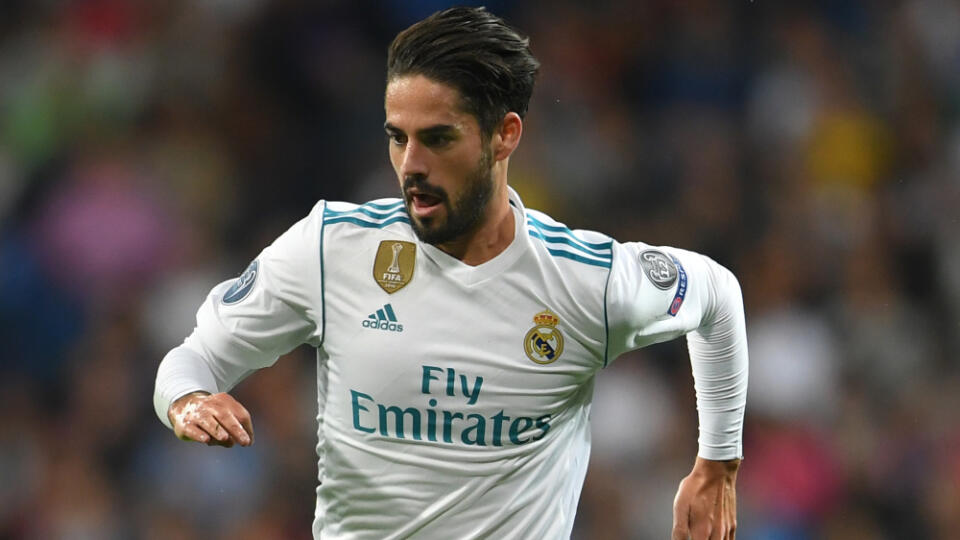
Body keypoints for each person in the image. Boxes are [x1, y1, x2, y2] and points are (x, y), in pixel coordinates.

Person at [153, 7, 748, 539]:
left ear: (503, 136)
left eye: (437, 138)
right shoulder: (331, 249)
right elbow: (193, 359)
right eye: (398, 138)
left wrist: (717, 464)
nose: (411, 165)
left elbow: (718, 296)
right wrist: (188, 401)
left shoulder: (586, 283)